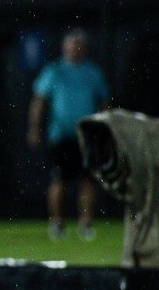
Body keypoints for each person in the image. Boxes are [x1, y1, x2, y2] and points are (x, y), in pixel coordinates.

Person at [28, 29, 110, 241]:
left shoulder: (93, 73)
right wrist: (35, 127)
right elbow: (39, 100)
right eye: (71, 45)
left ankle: (86, 224)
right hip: (61, 135)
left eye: (78, 45)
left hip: (88, 136)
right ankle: (56, 223)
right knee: (59, 180)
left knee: (88, 181)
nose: (75, 49)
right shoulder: (54, 71)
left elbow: (104, 103)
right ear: (65, 48)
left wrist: (107, 129)